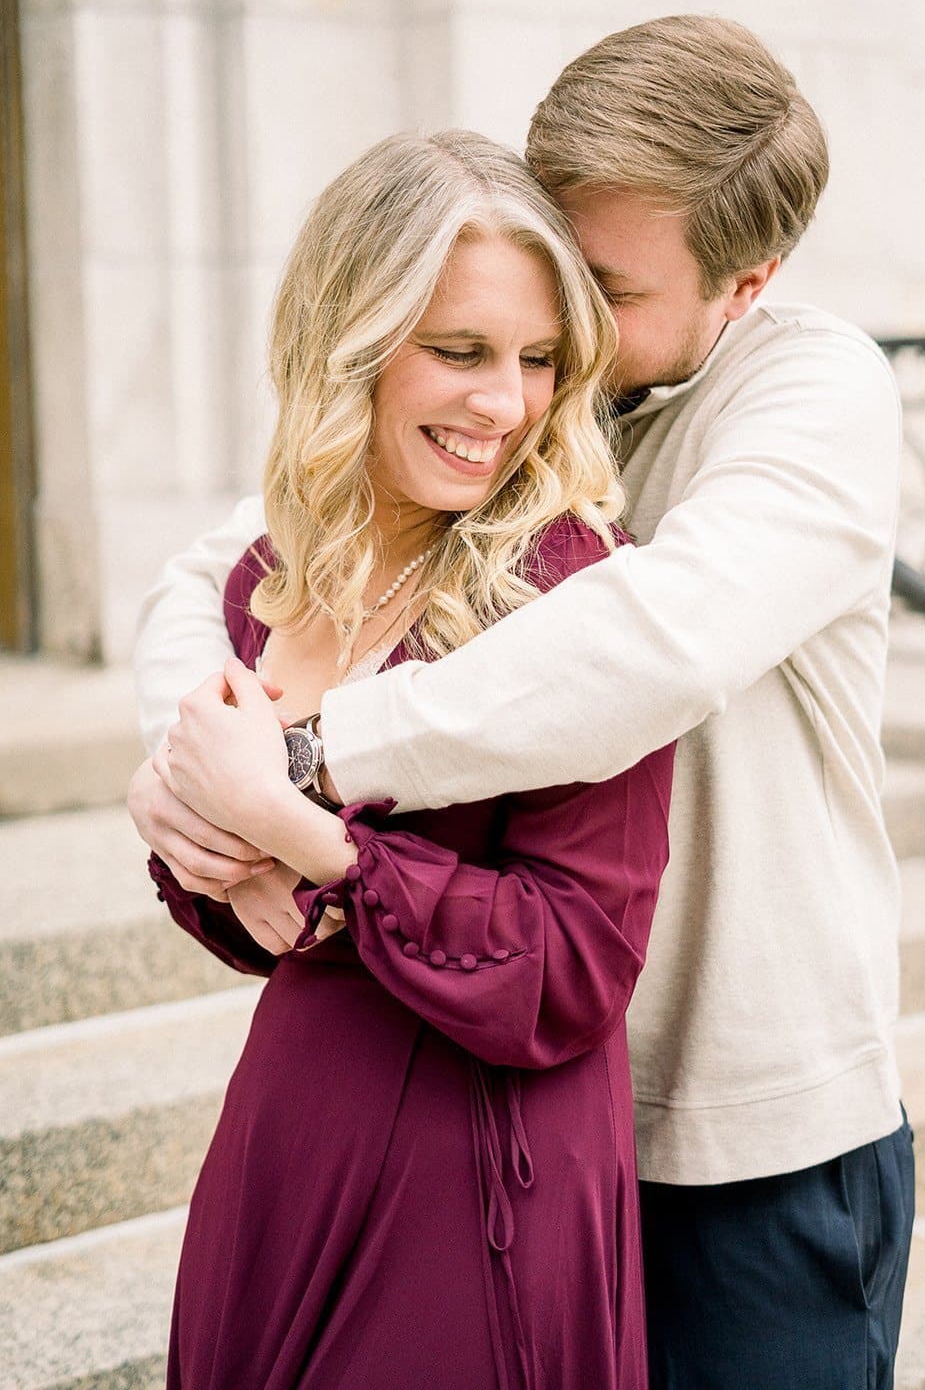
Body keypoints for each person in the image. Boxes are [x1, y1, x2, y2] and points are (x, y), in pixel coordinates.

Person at [131, 15, 915, 1390]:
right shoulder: (529, 388)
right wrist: (184, 762)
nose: (542, 332)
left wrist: (303, 771)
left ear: (743, 284)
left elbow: (646, 643)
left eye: (595, 294)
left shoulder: (810, 394)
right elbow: (227, 562)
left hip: (754, 1140)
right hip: (529, 1108)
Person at [138, 129, 676, 1390]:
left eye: (538, 359)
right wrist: (203, 839)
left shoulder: (571, 587)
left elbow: (575, 962)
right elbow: (236, 906)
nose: (506, 404)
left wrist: (309, 844)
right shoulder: (269, 578)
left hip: (488, 1172)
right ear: (353, 338)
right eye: (459, 350)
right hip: (293, 1132)